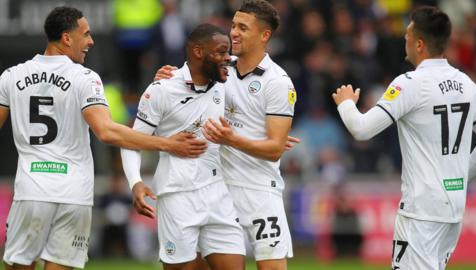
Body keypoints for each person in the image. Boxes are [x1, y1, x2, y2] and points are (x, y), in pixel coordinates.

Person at [0, 6, 207, 270]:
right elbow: (107, 131)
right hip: (72, 193)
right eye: (85, 34)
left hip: (30, 190)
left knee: (19, 265)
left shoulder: (11, 76)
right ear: (66, 38)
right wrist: (167, 143)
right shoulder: (84, 78)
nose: (91, 41)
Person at [332, 6, 476, 270]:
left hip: (420, 209)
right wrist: (459, 174)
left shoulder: (410, 83)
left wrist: (345, 103)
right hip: (454, 208)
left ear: (420, 44)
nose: (405, 40)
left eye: (408, 35)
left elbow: (362, 129)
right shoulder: (467, 84)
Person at [156, 1, 297, 269]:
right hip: (216, 187)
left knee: (272, 266)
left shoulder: (278, 82)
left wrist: (232, 138)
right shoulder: (218, 66)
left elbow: (275, 149)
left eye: (243, 28)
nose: (233, 32)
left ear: (264, 35)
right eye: (233, 25)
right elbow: (183, 88)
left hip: (258, 190)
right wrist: (166, 77)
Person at [121, 23, 245, 270]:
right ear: (199, 52)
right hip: (178, 194)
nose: (227, 58)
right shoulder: (162, 89)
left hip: (219, 192)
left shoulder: (227, 83)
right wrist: (135, 182)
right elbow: (131, 141)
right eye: (221, 51)